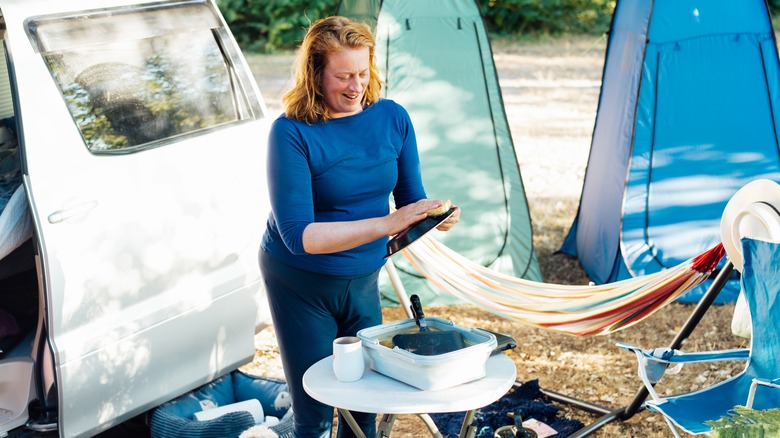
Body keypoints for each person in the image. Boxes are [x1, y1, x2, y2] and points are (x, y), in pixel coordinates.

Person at [259, 15, 460, 438]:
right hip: (301, 282)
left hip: (364, 276)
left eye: (363, 73)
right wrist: (388, 223)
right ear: (315, 74)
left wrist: (434, 217)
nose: (355, 86)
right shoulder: (290, 133)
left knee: (366, 400)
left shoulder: (392, 118)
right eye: (343, 76)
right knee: (314, 408)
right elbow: (300, 237)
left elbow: (410, 203)